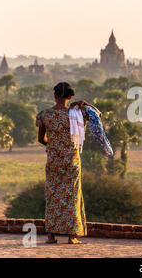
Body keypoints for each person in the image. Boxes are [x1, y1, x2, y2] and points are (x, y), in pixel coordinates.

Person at [36, 82, 100, 244]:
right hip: (72, 160)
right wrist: (85, 104)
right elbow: (97, 115)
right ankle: (72, 236)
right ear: (70, 97)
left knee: (52, 195)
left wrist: (53, 145)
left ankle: (51, 235)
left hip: (53, 161)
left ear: (55, 95)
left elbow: (40, 139)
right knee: (71, 195)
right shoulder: (77, 114)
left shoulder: (45, 115)